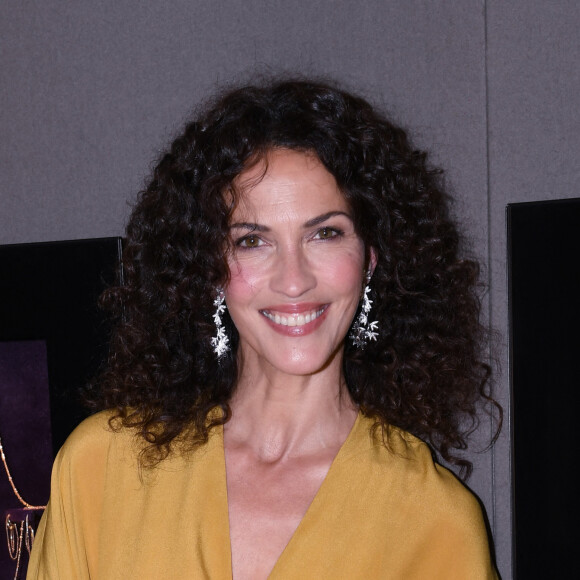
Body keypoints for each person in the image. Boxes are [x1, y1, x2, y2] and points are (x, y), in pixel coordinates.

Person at [27, 79, 500, 579]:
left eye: (325, 233)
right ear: (210, 267)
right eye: (253, 241)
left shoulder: (434, 521)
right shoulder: (100, 468)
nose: (293, 280)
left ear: (370, 260)